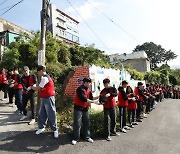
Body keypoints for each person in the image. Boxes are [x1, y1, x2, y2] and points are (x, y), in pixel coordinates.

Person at [31, 65, 58, 138]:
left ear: (41, 71)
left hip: (49, 97)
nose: (38, 74)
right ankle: (41, 127)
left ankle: (55, 129)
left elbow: (39, 88)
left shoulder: (45, 78)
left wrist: (32, 87)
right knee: (42, 113)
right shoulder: (45, 77)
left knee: (51, 113)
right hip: (44, 97)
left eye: (38, 72)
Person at [71, 77, 99, 145]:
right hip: (78, 108)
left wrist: (99, 97)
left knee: (87, 123)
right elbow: (84, 99)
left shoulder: (88, 90)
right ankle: (76, 138)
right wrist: (94, 102)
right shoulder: (80, 89)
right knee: (77, 124)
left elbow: (91, 98)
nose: (90, 84)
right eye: (89, 83)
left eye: (90, 83)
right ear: (85, 82)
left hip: (85, 108)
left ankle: (87, 137)